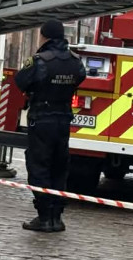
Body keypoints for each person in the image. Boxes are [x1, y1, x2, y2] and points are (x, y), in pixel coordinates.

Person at [14, 19, 86, 233]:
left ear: (45, 36)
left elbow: (21, 81)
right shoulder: (75, 61)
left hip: (42, 118)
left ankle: (44, 216)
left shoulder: (39, 61)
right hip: (63, 118)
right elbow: (80, 78)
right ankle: (56, 217)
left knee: (39, 166)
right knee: (59, 166)